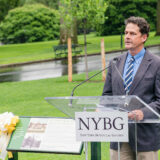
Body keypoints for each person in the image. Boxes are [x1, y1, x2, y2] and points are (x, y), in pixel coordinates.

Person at [102, 16, 160, 160]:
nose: (127, 37)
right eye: (126, 33)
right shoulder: (115, 62)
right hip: (118, 135)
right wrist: (102, 108)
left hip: (145, 135)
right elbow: (107, 95)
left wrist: (143, 113)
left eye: (132, 34)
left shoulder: (156, 64)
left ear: (144, 37)